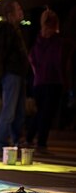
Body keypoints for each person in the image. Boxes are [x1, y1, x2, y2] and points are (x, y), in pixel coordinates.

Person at [26, 8, 65, 152]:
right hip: (53, 81)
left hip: (39, 82)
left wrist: (36, 74)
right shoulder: (57, 42)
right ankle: (41, 143)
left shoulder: (37, 42)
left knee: (39, 112)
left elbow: (32, 60)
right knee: (47, 113)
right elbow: (57, 61)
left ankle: (30, 139)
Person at [0, 0, 30, 152]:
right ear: (10, 15)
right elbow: (4, 53)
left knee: (19, 111)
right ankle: (2, 143)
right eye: (18, 9)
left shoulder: (17, 30)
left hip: (19, 73)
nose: (21, 11)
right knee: (9, 110)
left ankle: (16, 141)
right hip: (11, 73)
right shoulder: (6, 30)